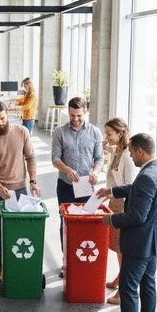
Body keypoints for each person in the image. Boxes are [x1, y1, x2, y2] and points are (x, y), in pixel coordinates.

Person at [94, 133, 157, 312]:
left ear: (140, 151)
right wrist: (112, 191)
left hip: (140, 244)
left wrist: (111, 220)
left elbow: (138, 215)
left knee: (128, 290)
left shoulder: (147, 176)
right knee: (148, 286)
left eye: (131, 151)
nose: (129, 155)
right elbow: (138, 190)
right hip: (155, 241)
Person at [0, 101, 41, 283]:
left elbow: (30, 157)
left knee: (19, 228)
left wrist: (32, 181)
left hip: (21, 188)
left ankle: (18, 262)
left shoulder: (22, 132)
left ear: (8, 113)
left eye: (2, 118)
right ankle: (0, 265)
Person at [51, 96, 104, 277]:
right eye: (72, 115)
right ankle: (67, 261)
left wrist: (96, 172)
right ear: (68, 112)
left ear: (85, 113)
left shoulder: (95, 133)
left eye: (79, 116)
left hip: (87, 185)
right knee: (66, 222)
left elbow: (99, 159)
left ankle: (83, 259)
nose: (75, 119)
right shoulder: (60, 132)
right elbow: (55, 159)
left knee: (87, 222)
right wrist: (67, 170)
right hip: (66, 184)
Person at [103, 117, 138, 304]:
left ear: (120, 133)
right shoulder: (117, 151)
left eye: (109, 133)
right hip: (114, 203)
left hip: (122, 206)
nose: (106, 136)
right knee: (117, 247)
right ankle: (119, 278)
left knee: (123, 248)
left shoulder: (128, 157)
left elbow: (130, 186)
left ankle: (122, 292)